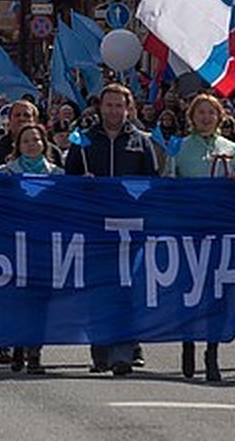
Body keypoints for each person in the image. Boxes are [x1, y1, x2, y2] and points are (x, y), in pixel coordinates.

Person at [64, 83, 159, 376]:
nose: (114, 110)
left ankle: (123, 352)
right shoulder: (84, 142)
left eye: (120, 105)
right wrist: (84, 182)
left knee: (127, 289)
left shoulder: (141, 142)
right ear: (100, 107)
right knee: (99, 290)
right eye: (109, 105)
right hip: (95, 228)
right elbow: (68, 180)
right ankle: (101, 353)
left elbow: (151, 183)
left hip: (129, 229)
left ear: (128, 108)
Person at [162, 93, 235, 382]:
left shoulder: (232, 148)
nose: (206, 117)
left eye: (211, 112)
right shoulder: (180, 148)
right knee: (189, 290)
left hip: (220, 231)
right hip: (189, 230)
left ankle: (212, 352)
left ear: (220, 116)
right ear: (192, 118)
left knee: (216, 293)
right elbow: (166, 186)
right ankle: (188, 343)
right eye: (201, 113)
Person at [0, 123, 64, 375]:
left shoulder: (57, 175)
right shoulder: (5, 173)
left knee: (39, 303)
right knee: (15, 301)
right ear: (18, 145)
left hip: (44, 247)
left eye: (36, 140)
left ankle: (34, 353)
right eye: (26, 141)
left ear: (44, 144)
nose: (31, 145)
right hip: (13, 246)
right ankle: (16, 347)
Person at [0, 99, 40, 171]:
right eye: (17, 115)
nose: (21, 118)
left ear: (35, 120)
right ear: (10, 120)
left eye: (27, 115)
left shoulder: (50, 150)